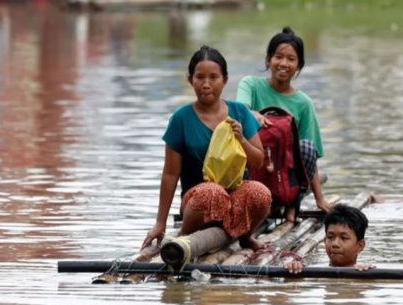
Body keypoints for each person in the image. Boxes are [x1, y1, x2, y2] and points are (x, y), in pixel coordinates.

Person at [141, 45, 272, 251]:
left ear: (225, 80)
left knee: (260, 193)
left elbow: (258, 161)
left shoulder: (239, 112)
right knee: (213, 193)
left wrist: (241, 140)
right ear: (190, 80)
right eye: (200, 77)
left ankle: (245, 236)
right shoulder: (181, 119)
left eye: (214, 77)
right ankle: (186, 236)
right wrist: (160, 223)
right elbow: (170, 174)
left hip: (235, 198)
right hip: (199, 203)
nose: (206, 84)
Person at [236, 26, 332, 222]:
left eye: (291, 59)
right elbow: (239, 112)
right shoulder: (250, 85)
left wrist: (320, 199)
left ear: (299, 66)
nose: (283, 63)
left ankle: (291, 207)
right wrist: (252, 113)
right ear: (268, 59)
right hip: (253, 169)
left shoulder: (303, 104)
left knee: (305, 147)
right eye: (278, 57)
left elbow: (310, 158)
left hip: (285, 178)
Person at [284, 204, 374, 274]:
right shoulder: (310, 271)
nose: (335, 244)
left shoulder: (367, 272)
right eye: (330, 237)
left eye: (344, 238)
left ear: (360, 245)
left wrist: (368, 274)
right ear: (324, 240)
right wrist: (293, 269)